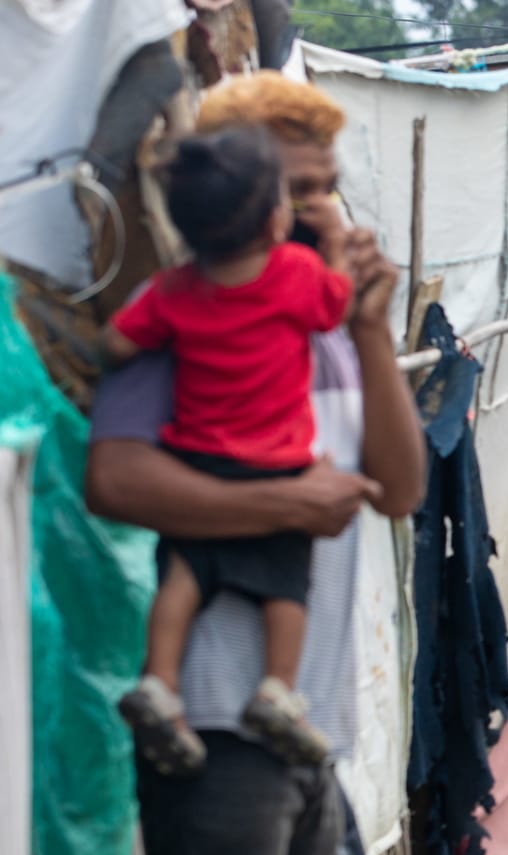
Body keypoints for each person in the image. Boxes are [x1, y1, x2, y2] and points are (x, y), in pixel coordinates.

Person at [85, 72, 424, 855]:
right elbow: (116, 481)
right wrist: (285, 502)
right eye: (296, 190)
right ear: (251, 202)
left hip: (308, 723)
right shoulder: (195, 310)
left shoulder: (325, 319)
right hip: (216, 727)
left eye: (325, 186)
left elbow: (400, 492)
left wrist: (372, 331)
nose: (320, 209)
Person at [107, 124, 354, 774]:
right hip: (281, 464)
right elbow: (337, 306)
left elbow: (119, 342)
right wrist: (333, 241)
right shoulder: (297, 274)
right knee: (286, 588)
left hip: (198, 459)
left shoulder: (173, 290)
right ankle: (277, 690)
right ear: (277, 219)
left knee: (183, 577)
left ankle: (161, 682)